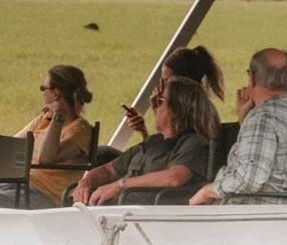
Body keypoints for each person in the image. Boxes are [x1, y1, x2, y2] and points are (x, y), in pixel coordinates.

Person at [0, 64, 95, 208]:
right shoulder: (45, 118)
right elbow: (11, 145)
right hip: (12, 183)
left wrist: (58, 117)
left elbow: (46, 158)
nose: (42, 93)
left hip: (40, 194)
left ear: (56, 94)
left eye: (43, 88)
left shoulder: (80, 130)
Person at [190, 48, 287, 205]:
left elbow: (248, 179)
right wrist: (245, 119)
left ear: (252, 78)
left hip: (255, 214)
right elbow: (278, 156)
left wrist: (207, 191)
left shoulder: (263, 119)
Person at [74, 77, 217, 205]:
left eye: (159, 101)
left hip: (145, 218)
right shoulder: (152, 143)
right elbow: (108, 170)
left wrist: (120, 184)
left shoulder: (193, 143)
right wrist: (85, 184)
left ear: (179, 108)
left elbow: (175, 177)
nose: (154, 106)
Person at [123, 45, 224, 140]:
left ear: (183, 83)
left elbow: (164, 154)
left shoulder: (192, 118)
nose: (162, 86)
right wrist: (145, 128)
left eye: (167, 81)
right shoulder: (192, 109)